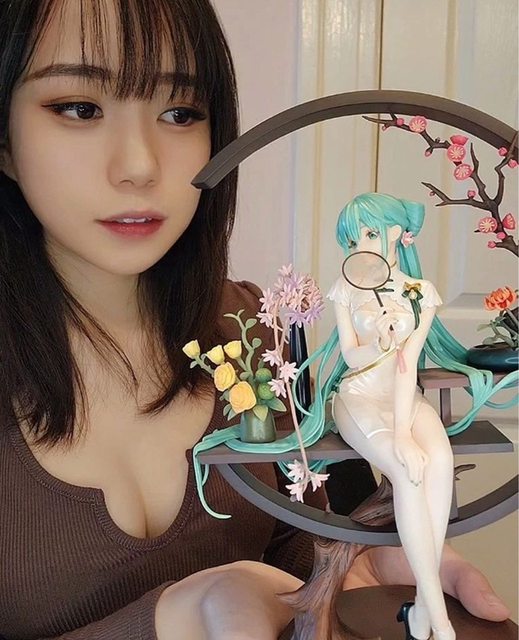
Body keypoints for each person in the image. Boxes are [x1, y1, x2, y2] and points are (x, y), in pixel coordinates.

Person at [0, 1, 511, 639]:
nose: (139, 165)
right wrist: (180, 617)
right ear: (5, 138)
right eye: (79, 108)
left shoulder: (252, 330)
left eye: (180, 112)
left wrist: (358, 560)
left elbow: (294, 544)